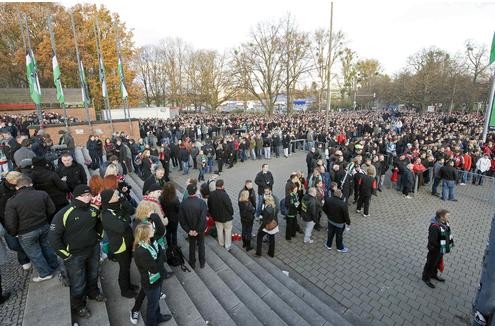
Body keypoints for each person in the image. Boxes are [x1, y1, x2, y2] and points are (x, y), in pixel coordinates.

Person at [49, 185, 106, 319]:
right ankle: (79, 305)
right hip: (74, 255)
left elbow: (98, 223)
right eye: (84, 195)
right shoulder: (65, 213)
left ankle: (93, 292)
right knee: (78, 282)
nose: (87, 197)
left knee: (93, 273)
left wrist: (98, 237)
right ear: (76, 196)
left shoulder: (93, 209)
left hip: (92, 249)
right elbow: (53, 237)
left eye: (89, 195)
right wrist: (65, 254)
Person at [4, 175, 58, 282]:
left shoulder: (12, 202)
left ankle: (45, 273)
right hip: (43, 225)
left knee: (35, 254)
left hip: (25, 233)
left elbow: (10, 221)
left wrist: (14, 233)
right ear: (31, 184)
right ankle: (54, 265)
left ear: (17, 187)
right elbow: (52, 210)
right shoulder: (42, 194)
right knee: (47, 247)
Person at [131, 223, 172, 325]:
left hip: (158, 278)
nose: (154, 230)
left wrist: (160, 256)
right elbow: (154, 269)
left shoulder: (150, 241)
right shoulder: (141, 251)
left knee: (155, 301)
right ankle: (151, 322)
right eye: (151, 230)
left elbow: (160, 254)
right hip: (151, 281)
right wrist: (160, 256)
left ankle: (158, 317)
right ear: (146, 235)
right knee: (152, 305)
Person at [100, 189, 138, 298]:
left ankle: (129, 285)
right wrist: (126, 219)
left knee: (127, 265)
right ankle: (125, 291)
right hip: (120, 245)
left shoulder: (117, 205)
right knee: (124, 268)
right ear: (109, 199)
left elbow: (131, 211)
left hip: (127, 240)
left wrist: (123, 200)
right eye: (115, 195)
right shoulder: (106, 214)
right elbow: (121, 227)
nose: (117, 195)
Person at [0, 171, 30, 270]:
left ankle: (26, 259)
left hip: (22, 217)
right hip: (7, 222)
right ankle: (26, 254)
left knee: (27, 239)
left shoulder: (19, 185)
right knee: (13, 245)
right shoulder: (2, 190)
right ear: (12, 181)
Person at [422, 209, 454, 288]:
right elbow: (432, 241)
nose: (448, 217)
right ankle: (426, 278)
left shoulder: (444, 223)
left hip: (440, 249)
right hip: (435, 250)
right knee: (431, 264)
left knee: (437, 262)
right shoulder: (434, 227)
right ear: (441, 217)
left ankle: (433, 274)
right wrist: (440, 246)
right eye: (447, 216)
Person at [179, 184, 207, 269]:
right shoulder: (202, 202)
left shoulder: (183, 204)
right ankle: (202, 262)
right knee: (201, 245)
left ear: (187, 191)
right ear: (196, 191)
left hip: (190, 229)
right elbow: (203, 219)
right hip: (200, 230)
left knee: (192, 246)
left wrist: (189, 231)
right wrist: (198, 230)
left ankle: (192, 263)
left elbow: (182, 219)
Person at [208, 179, 234, 251]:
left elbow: (209, 206)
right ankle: (227, 246)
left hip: (217, 217)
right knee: (228, 231)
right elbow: (229, 206)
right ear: (222, 186)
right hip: (226, 218)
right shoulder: (224, 194)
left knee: (219, 230)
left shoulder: (211, 195)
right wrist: (231, 213)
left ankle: (221, 244)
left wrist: (213, 215)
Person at [159, 182, 180, 247]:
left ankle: (169, 245)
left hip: (166, 218)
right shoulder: (175, 198)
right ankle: (175, 246)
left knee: (168, 232)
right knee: (174, 233)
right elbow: (178, 209)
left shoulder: (161, 198)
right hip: (174, 219)